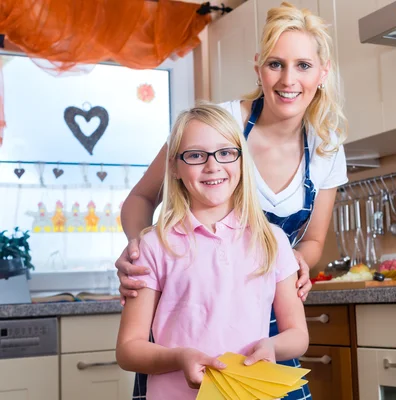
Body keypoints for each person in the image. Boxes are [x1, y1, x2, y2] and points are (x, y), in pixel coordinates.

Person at [115, 2, 348, 399]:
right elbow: (140, 197)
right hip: (186, 338)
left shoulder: (326, 149)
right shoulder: (214, 128)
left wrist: (296, 265)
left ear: (322, 72)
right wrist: (142, 249)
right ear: (259, 68)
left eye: (303, 65)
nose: (288, 79)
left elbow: (311, 243)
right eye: (276, 64)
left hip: (264, 334)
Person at [116, 103, 309, 400]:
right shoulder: (153, 246)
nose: (213, 166)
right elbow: (129, 350)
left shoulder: (273, 240)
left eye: (226, 152)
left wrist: (273, 346)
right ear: (173, 166)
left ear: (242, 160)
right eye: (195, 155)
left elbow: (298, 335)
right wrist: (179, 358)